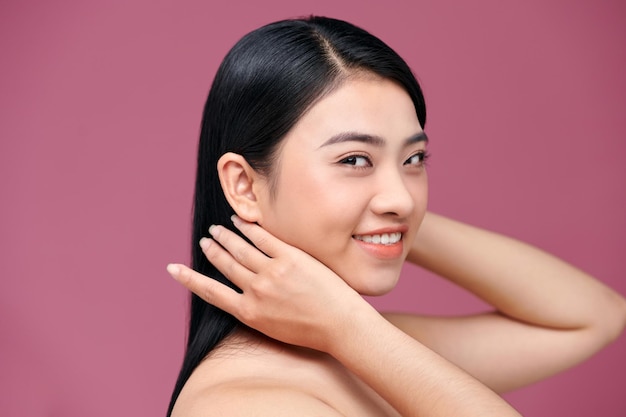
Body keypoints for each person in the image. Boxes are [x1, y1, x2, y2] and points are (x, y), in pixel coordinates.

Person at [165, 16, 626, 417]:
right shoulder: (240, 404)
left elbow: (594, 316)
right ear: (244, 186)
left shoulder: (358, 346)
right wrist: (351, 323)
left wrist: (386, 225)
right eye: (354, 160)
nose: (403, 197)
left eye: (413, 160)